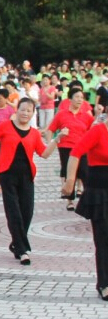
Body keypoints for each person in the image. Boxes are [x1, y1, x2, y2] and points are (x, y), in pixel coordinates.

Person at [0, 98, 60, 266]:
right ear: (17, 110)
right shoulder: (5, 126)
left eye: (29, 111)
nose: (25, 113)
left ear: (32, 113)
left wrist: (56, 141)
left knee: (27, 212)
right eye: (22, 109)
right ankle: (23, 250)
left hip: (27, 176)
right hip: (7, 175)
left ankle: (16, 243)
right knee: (14, 212)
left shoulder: (34, 133)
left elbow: (44, 154)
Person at [62, 115, 108, 300]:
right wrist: (70, 181)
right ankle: (104, 283)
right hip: (100, 192)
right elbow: (75, 153)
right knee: (104, 238)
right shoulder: (98, 130)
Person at [46, 88, 93, 211]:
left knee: (86, 173)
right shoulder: (61, 114)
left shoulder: (86, 116)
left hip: (82, 149)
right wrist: (51, 143)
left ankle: (88, 202)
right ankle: (70, 200)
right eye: (77, 97)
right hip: (66, 148)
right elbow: (51, 129)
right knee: (69, 174)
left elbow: (94, 129)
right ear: (70, 99)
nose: (79, 100)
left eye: (81, 98)